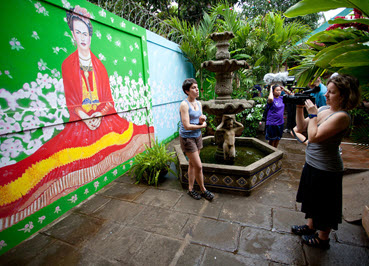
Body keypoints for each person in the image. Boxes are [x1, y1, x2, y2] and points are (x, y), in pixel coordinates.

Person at [0, 6, 154, 228]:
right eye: (77, 32)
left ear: (90, 35)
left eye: (85, 32)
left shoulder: (100, 66)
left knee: (128, 132)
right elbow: (70, 102)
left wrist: (100, 115)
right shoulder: (67, 64)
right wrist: (84, 117)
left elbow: (109, 101)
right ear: (72, 34)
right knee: (56, 153)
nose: (82, 37)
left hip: (104, 118)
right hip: (79, 120)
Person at [291, 74, 361, 249]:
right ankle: (310, 226)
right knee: (312, 198)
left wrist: (312, 115)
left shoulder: (342, 117)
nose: (327, 95)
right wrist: (300, 107)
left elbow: (313, 137)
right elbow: (300, 127)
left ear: (344, 95)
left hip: (327, 169)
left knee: (325, 204)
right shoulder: (323, 109)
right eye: (327, 91)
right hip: (312, 164)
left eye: (332, 92)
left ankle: (323, 239)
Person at [179, 78, 214, 201]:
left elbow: (198, 119)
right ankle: (203, 190)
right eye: (193, 88)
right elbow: (187, 126)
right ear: (187, 91)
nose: (197, 89)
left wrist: (201, 119)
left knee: (192, 163)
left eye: (197, 87)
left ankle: (190, 189)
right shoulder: (184, 105)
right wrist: (202, 125)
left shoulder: (199, 103)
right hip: (187, 138)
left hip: (197, 136)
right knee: (198, 166)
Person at [264, 83, 292, 148]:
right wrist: (271, 88)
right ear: (273, 91)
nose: (279, 91)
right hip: (272, 123)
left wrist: (284, 89)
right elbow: (270, 99)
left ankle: (275, 150)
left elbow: (291, 95)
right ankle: (271, 153)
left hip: (280, 123)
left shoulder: (282, 98)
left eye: (280, 90)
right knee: (271, 140)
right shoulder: (271, 99)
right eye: (277, 90)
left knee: (278, 139)